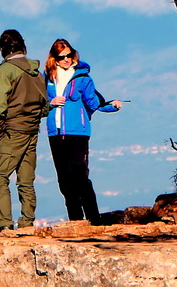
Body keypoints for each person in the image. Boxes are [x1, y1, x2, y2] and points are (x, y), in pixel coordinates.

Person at [44, 38, 122, 225]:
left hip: (78, 131)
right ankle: (76, 220)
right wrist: (50, 103)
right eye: (62, 57)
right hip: (55, 132)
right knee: (63, 178)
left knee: (80, 175)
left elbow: (93, 101)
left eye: (69, 55)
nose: (66, 60)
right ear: (54, 58)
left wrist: (112, 105)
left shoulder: (83, 77)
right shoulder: (47, 78)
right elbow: (39, 102)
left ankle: (94, 219)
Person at [0, 29, 48, 237]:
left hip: (13, 129)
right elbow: (45, 106)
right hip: (33, 129)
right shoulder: (36, 72)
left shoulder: (5, 71)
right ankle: (27, 223)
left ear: (2, 49)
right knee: (26, 179)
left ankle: (5, 225)